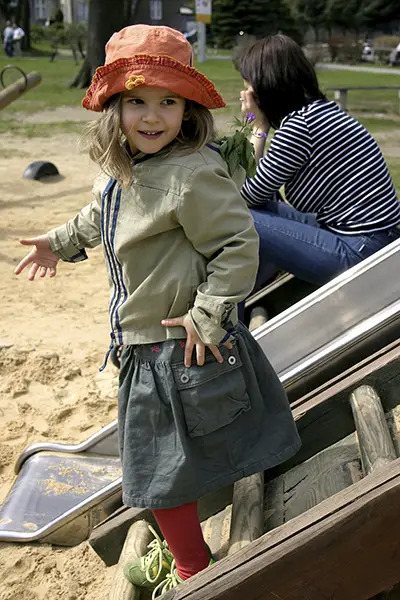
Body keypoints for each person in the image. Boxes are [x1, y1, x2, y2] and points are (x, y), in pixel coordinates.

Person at [15, 25, 300, 598]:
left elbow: (238, 246)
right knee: (170, 462)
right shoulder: (123, 173)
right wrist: (59, 242)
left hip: (181, 344)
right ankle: (190, 556)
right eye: (136, 102)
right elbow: (101, 215)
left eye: (168, 102)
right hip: (144, 347)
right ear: (112, 109)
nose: (152, 116)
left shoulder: (190, 173)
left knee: (158, 475)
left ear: (188, 108)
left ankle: (193, 571)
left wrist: (209, 312)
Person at [238, 34, 400, 296]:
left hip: (361, 251)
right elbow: (261, 194)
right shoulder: (318, 112)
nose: (245, 94)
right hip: (373, 239)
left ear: (264, 86)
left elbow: (245, 196)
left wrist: (258, 126)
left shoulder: (299, 128)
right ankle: (249, 294)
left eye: (247, 85)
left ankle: (228, 317)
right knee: (259, 211)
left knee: (237, 218)